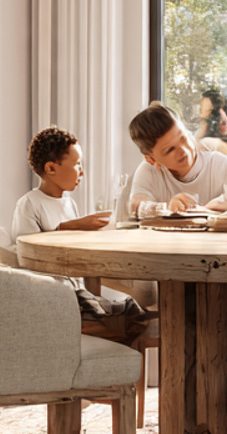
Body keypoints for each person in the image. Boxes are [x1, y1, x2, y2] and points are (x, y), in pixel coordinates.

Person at [10, 126, 146, 336]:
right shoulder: (29, 204)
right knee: (121, 321)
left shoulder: (68, 203)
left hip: (78, 290)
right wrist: (70, 226)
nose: (82, 171)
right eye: (77, 164)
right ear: (51, 169)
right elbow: (25, 252)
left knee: (132, 310)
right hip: (56, 294)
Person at [128, 101, 227, 214]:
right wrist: (167, 207)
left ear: (188, 132)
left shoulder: (219, 165)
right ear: (151, 159)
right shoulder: (149, 172)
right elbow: (135, 206)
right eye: (170, 150)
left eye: (183, 138)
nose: (183, 150)